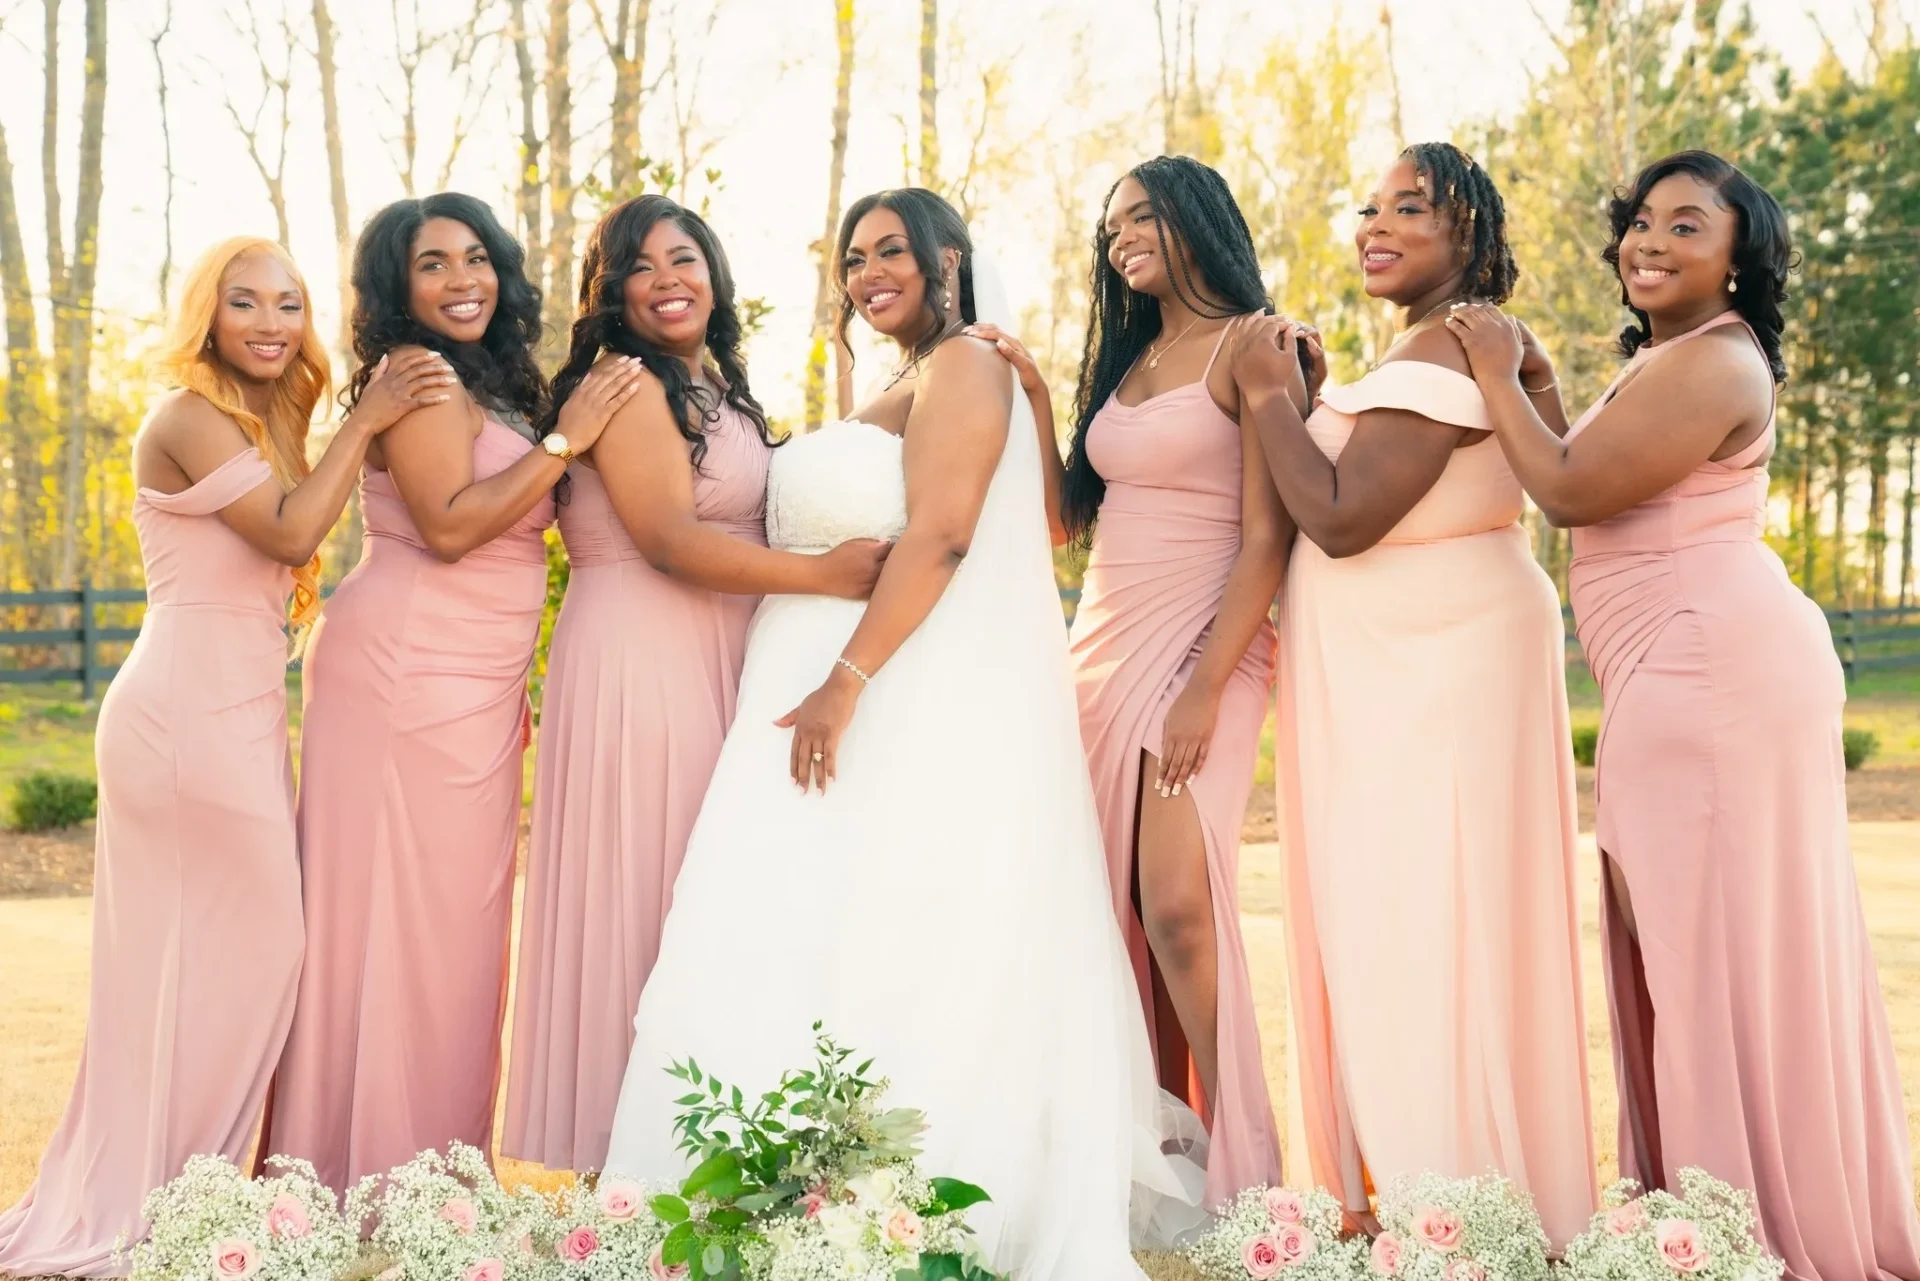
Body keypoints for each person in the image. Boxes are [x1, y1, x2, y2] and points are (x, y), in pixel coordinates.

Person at [601, 188, 1204, 1279]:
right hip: (810, 702)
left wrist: (844, 681)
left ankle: (908, 1190)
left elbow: (941, 538)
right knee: (811, 937)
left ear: (948, 257)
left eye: (891, 250)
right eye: (853, 256)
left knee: (884, 938)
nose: (868, 271)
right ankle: (798, 1178)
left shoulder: (966, 362)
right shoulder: (918, 375)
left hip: (870, 700)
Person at [1447, 148, 1920, 1278]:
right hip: (1688, 669)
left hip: (1715, 674)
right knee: (1692, 949)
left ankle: (1732, 1226)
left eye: (1688, 227)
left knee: (1705, 957)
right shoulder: (1672, 361)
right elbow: (1588, 467)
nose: (1650, 242)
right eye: (1642, 222)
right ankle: (1695, 1214)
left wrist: (1495, 372)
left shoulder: (1716, 365)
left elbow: (1562, 492)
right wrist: (1545, 384)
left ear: (1739, 260)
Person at [0, 237, 443, 1274]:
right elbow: (293, 535)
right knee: (255, 953)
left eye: (289, 303)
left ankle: (178, 1193)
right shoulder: (187, 414)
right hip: (181, 717)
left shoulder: (275, 415)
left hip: (240, 714)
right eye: (246, 302)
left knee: (200, 969)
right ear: (208, 313)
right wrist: (368, 418)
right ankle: (167, 1201)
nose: (270, 321)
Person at [1239, 142, 1595, 1244]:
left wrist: (1264, 400)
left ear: (1473, 238)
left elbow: (1341, 520)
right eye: (1370, 207)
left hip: (1428, 679)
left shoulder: (1450, 347)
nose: (1376, 226)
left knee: (1417, 920)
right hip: (1397, 670)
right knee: (1405, 917)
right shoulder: (1426, 350)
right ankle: (1418, 1189)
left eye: (1412, 208)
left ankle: (1441, 1196)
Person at [257, 194, 647, 1194]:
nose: (464, 279)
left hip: (476, 685)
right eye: (434, 265)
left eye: (477, 258)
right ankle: (366, 1177)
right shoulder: (421, 382)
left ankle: (434, 1177)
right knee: (400, 931)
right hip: (407, 678)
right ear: (398, 287)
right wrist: (567, 442)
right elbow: (450, 525)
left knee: (460, 940)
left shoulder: (485, 381)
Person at [506, 195, 888, 1173]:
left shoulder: (710, 387)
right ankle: (623, 1151)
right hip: (643, 655)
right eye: (642, 265)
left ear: (715, 275)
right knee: (648, 889)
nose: (668, 277)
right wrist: (823, 577)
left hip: (717, 652)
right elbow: (672, 542)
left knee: (712, 888)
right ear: (613, 292)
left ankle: (698, 1137)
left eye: (686, 257)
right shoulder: (628, 387)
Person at [1049, 154, 1289, 1205]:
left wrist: (1203, 683)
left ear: (1200, 219)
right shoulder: (1127, 356)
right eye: (1111, 227)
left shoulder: (1256, 346)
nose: (1122, 237)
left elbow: (1270, 534)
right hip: (1100, 651)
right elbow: (1067, 516)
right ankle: (1160, 1151)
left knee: (1179, 903)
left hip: (1209, 649)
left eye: (1143, 216)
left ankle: (1256, 1171)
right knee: (1112, 914)